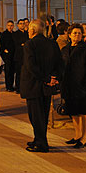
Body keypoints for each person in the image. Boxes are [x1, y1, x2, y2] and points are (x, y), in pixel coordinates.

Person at [21, 18, 63, 153]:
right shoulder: (52, 44)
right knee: (43, 115)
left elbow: (30, 66)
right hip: (47, 86)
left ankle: (41, 143)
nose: (27, 30)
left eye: (29, 28)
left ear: (33, 30)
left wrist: (45, 78)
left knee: (35, 115)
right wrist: (53, 78)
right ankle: (38, 138)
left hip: (34, 84)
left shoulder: (30, 44)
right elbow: (59, 63)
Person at [60, 23, 86, 148]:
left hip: (84, 86)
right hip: (70, 86)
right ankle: (77, 135)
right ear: (69, 35)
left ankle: (85, 137)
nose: (77, 35)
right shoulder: (65, 49)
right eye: (74, 33)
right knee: (74, 112)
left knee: (85, 112)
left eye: (79, 33)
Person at [12, 19, 29, 93]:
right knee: (18, 73)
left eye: (23, 23)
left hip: (26, 56)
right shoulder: (15, 34)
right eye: (20, 23)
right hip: (18, 56)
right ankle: (18, 88)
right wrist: (22, 44)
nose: (22, 25)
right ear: (18, 25)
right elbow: (17, 43)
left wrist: (23, 44)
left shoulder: (27, 33)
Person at [0, 20, 16, 92]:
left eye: (11, 25)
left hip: (14, 55)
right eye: (9, 25)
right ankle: (8, 86)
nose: (10, 27)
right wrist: (4, 51)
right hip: (7, 55)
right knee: (8, 71)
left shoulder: (14, 34)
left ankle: (11, 85)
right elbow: (2, 45)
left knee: (12, 71)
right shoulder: (4, 34)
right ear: (7, 26)